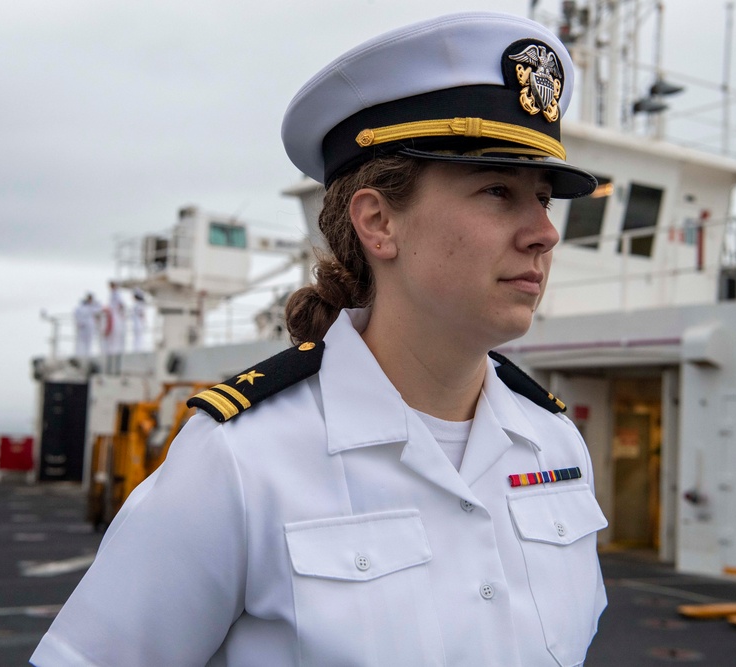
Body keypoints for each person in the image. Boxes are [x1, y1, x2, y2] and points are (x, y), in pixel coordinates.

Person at [32, 12, 606, 666]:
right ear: (378, 221)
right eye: (499, 190)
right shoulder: (241, 461)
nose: (544, 232)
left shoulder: (555, 443)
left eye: (544, 198)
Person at [103, 281, 126, 373]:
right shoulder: (114, 294)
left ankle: (114, 353)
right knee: (112, 340)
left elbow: (121, 305)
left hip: (115, 318)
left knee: (114, 339)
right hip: (114, 317)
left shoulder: (116, 295)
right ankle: (112, 352)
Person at [73, 293, 101, 357]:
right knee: (81, 342)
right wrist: (79, 322)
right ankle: (80, 355)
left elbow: (98, 310)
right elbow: (76, 315)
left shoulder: (92, 307)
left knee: (88, 342)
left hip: (89, 327)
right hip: (83, 326)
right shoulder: (82, 307)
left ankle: (86, 355)